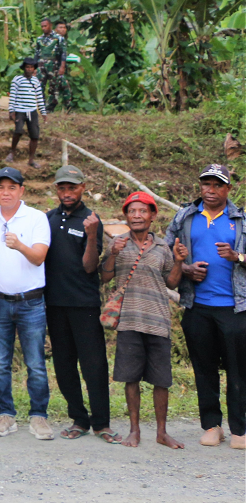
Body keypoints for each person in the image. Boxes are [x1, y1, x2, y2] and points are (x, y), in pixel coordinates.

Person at [164, 163, 246, 449]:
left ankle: (240, 429)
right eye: (205, 185)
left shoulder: (241, 220)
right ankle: (212, 425)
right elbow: (166, 254)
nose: (210, 191)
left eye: (217, 185)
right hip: (197, 306)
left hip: (235, 309)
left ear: (228, 189)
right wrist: (185, 269)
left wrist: (238, 256)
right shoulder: (185, 217)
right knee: (204, 368)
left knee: (239, 370)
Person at [102, 191, 185, 449]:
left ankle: (162, 432)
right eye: (132, 211)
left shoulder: (162, 247)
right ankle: (134, 431)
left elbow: (170, 282)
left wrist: (179, 262)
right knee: (131, 378)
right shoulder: (117, 242)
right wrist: (113, 254)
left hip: (158, 319)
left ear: (152, 215)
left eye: (143, 211)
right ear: (126, 215)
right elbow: (104, 277)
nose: (137, 215)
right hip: (128, 320)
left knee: (161, 380)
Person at [0, 166, 53, 440]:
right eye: (1, 187)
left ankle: (39, 416)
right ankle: (6, 414)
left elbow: (38, 257)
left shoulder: (36, 218)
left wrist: (19, 245)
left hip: (31, 302)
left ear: (22, 190)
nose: (6, 192)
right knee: (0, 363)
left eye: (12, 187)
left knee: (35, 363)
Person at [43, 165, 113, 441]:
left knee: (94, 365)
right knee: (63, 364)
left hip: (84, 304)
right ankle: (79, 419)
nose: (67, 192)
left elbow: (89, 267)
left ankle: (102, 422)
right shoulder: (48, 219)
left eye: (72, 187)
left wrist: (93, 235)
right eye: (62, 187)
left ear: (83, 187)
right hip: (55, 304)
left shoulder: (91, 220)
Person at [6, 58, 48, 169]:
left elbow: (39, 98)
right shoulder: (17, 79)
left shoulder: (36, 81)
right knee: (18, 131)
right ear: (24, 68)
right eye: (27, 67)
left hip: (32, 111)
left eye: (31, 67)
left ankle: (31, 160)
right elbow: (13, 95)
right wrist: (11, 110)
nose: (29, 69)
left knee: (34, 136)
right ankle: (12, 153)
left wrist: (43, 112)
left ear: (34, 69)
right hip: (20, 110)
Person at [32, 17, 66, 111]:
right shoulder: (39, 39)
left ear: (50, 25)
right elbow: (37, 53)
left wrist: (62, 66)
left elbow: (63, 53)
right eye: (42, 26)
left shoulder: (58, 38)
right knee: (39, 86)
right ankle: (41, 106)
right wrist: (34, 67)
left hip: (53, 64)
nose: (43, 28)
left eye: (45, 26)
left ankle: (50, 107)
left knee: (53, 86)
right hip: (41, 64)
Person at [51, 20, 74, 111]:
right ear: (55, 29)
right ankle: (50, 108)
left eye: (64, 28)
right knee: (59, 88)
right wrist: (62, 67)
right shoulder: (55, 40)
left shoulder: (61, 40)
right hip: (54, 68)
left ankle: (67, 107)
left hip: (57, 68)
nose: (63, 30)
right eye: (60, 27)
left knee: (61, 87)